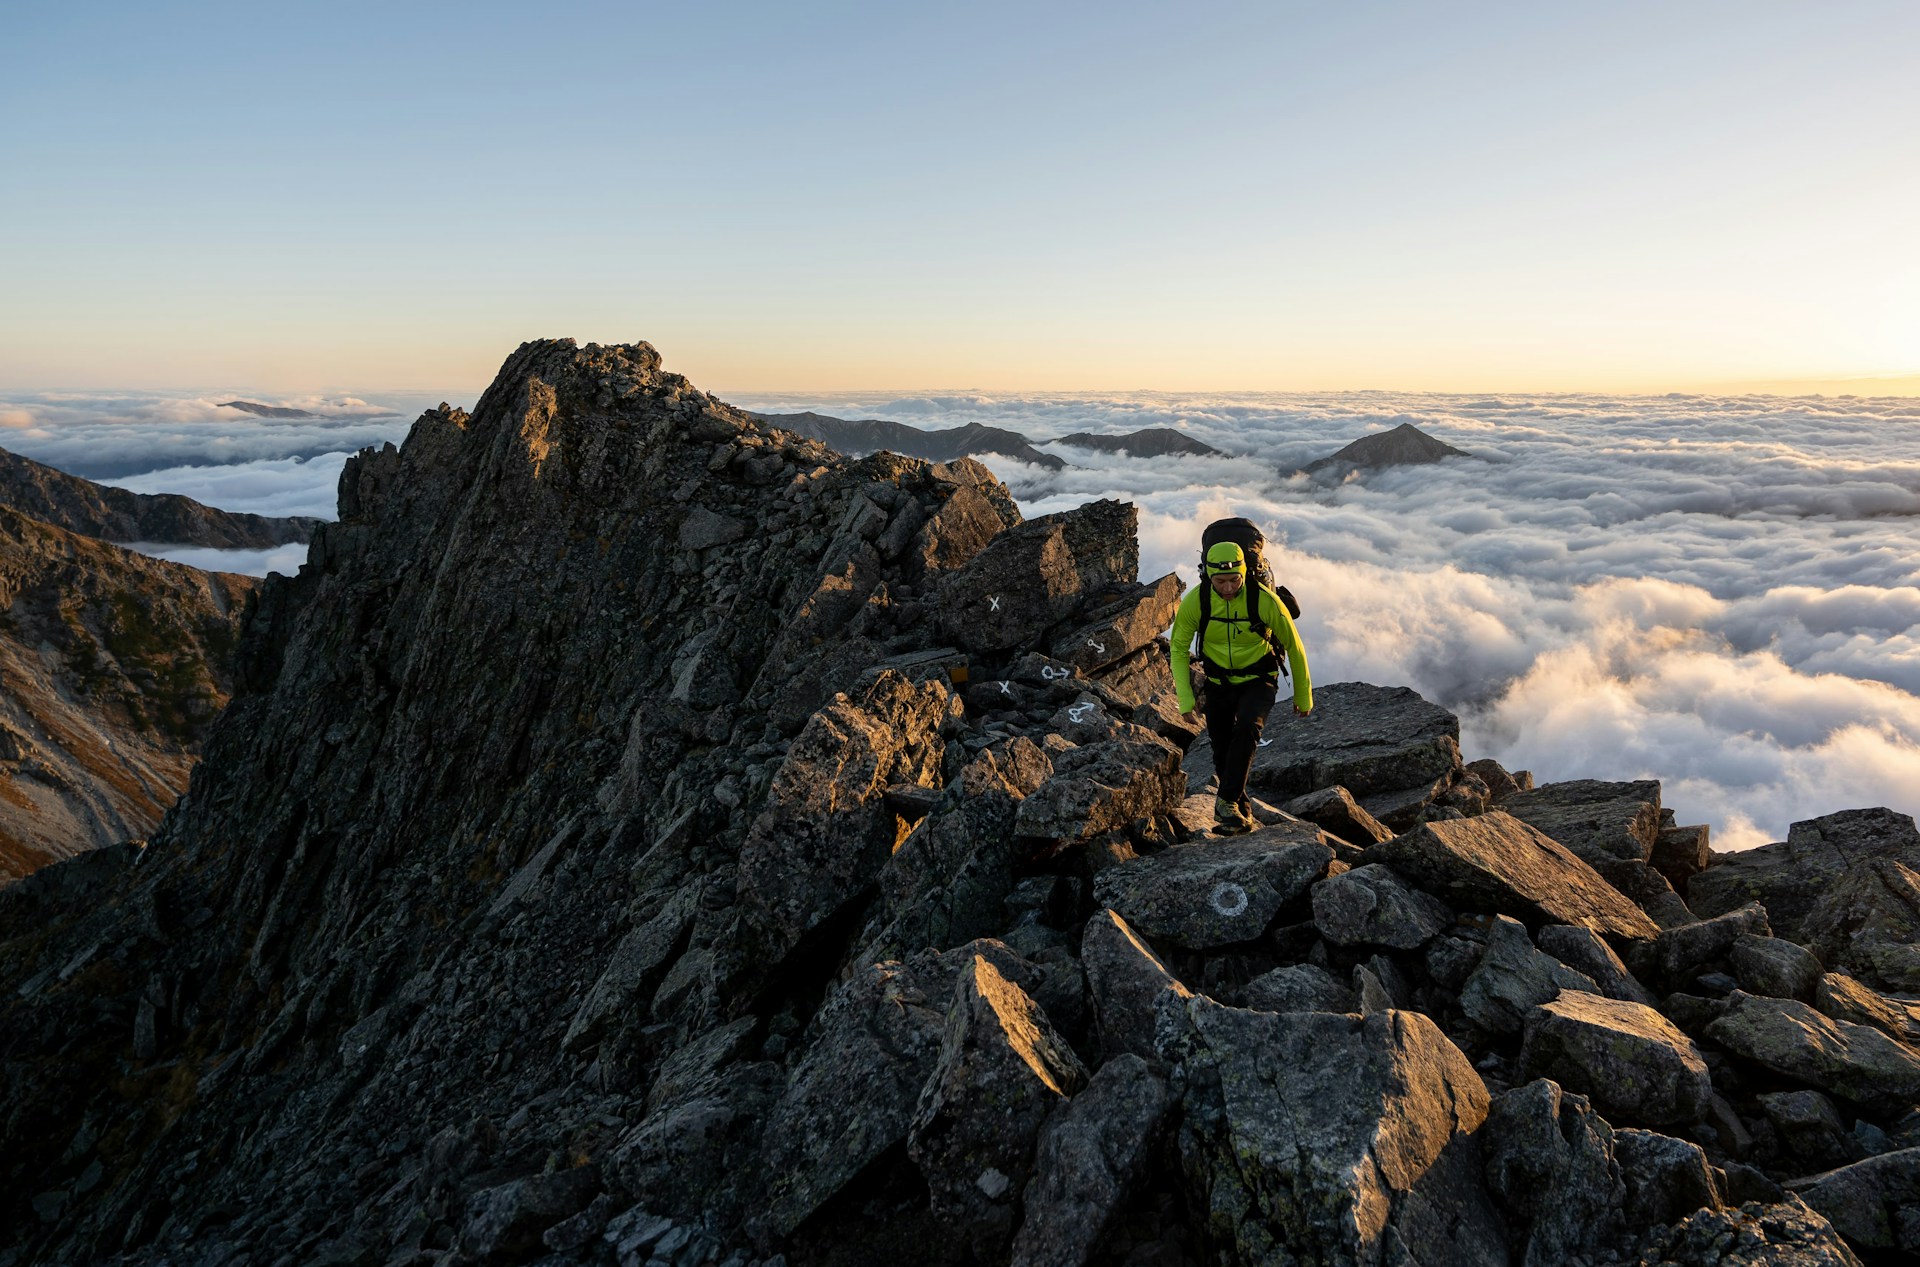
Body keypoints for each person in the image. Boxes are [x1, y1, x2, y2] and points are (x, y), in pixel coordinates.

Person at [1169, 541, 1312, 834]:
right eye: (1220, 581)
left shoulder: (1264, 600)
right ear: (1207, 575)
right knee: (1221, 750)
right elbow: (1179, 648)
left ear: (1244, 572)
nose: (1228, 587)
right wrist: (1185, 701)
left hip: (1259, 679)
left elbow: (1295, 647)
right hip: (1219, 682)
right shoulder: (1197, 602)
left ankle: (1225, 802)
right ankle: (1238, 816)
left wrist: (1303, 695)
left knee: (1248, 727)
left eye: (1235, 579)